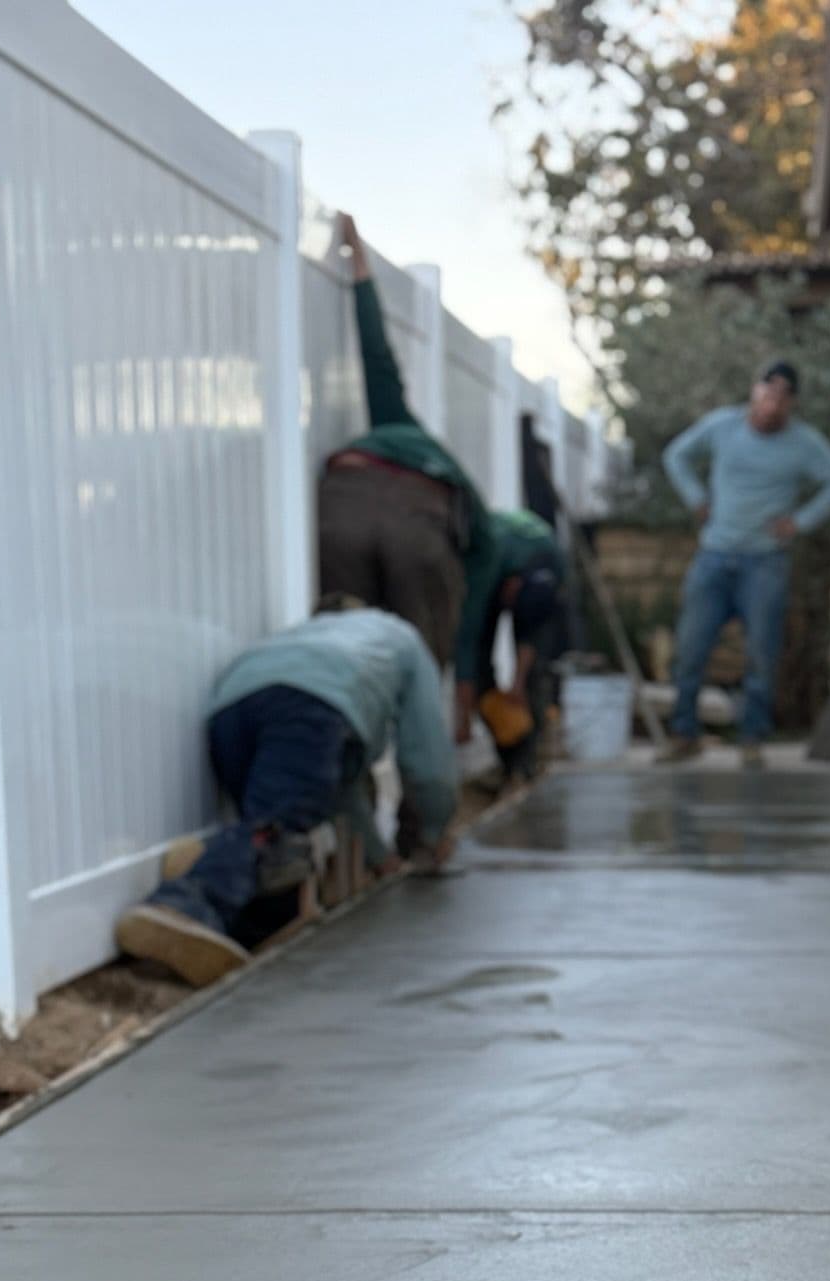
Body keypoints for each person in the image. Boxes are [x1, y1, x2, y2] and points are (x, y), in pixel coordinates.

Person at [115, 600, 457, 988]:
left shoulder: (318, 633)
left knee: (276, 840)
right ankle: (184, 904)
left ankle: (214, 887)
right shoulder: (405, 642)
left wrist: (380, 858)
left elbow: (339, 789)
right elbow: (427, 759)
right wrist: (434, 829)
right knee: (272, 831)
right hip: (308, 705)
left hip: (231, 704)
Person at [318, 215, 491, 678]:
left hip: (342, 507)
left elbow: (376, 351)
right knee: (419, 654)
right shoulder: (468, 498)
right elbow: (476, 592)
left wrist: (359, 262)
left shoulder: (392, 420)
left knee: (343, 646)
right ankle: (417, 741)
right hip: (420, 527)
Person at [660, 361, 830, 766]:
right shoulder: (722, 427)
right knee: (691, 647)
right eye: (767, 394)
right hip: (714, 555)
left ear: (792, 404)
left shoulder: (803, 443)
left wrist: (799, 522)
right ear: (755, 392)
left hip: (764, 563)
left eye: (782, 399)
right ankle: (684, 734)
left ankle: (752, 739)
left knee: (761, 653)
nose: (772, 405)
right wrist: (696, 497)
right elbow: (676, 456)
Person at [466, 506, 570, 783]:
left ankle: (524, 763)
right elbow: (467, 642)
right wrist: (462, 712)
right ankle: (505, 755)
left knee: (536, 676)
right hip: (491, 572)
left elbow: (531, 635)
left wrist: (518, 685)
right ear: (510, 585)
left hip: (531, 578)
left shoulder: (555, 575)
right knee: (477, 665)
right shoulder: (488, 564)